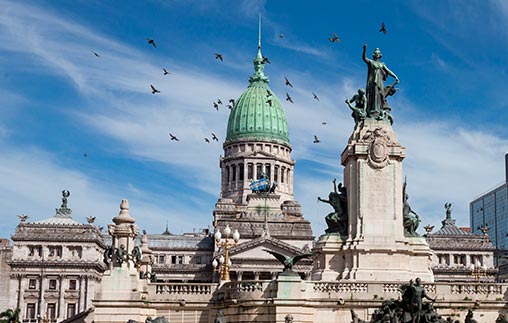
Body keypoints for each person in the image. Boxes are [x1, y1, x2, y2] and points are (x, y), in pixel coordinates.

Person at [362, 44, 399, 118]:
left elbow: (388, 71)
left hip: (380, 82)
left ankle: (378, 110)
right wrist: (364, 50)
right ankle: (372, 110)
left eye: (378, 54)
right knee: (372, 94)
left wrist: (395, 76)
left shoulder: (382, 64)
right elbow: (364, 58)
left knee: (379, 95)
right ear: (373, 55)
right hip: (372, 81)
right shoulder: (371, 62)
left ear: (380, 55)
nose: (377, 55)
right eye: (376, 54)